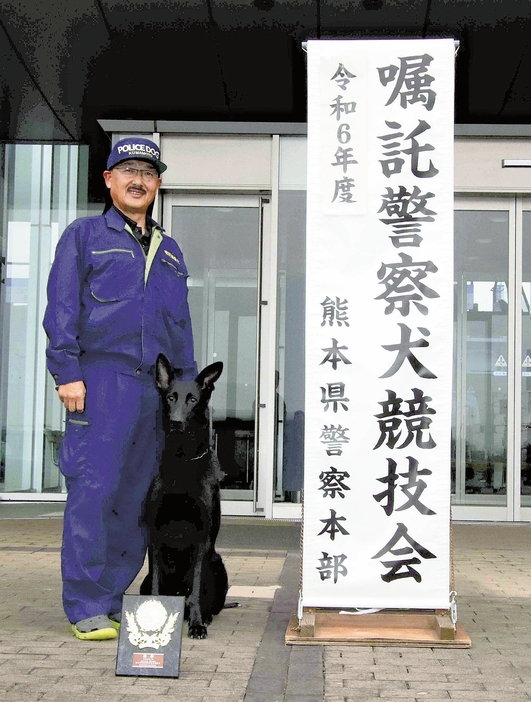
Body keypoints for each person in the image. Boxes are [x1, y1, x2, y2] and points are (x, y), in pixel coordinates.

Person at [43, 137, 196, 640]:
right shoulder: (85, 235)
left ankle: (111, 598)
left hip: (155, 393)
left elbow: (181, 328)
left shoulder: (169, 250)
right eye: (127, 170)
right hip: (102, 383)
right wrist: (67, 372)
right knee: (94, 492)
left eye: (149, 173)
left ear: (158, 184)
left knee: (135, 498)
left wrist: (187, 391)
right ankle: (84, 605)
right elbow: (63, 308)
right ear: (108, 179)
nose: (139, 180)